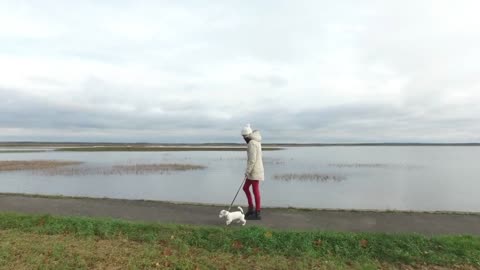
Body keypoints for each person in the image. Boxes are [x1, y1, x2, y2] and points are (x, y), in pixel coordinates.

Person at [241, 123, 264, 220]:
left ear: (247, 136)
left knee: (255, 190)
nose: (243, 138)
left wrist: (247, 171)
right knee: (246, 188)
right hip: (253, 171)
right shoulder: (255, 141)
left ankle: (257, 212)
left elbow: (252, 160)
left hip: (254, 171)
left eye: (244, 136)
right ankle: (251, 208)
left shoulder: (252, 143)